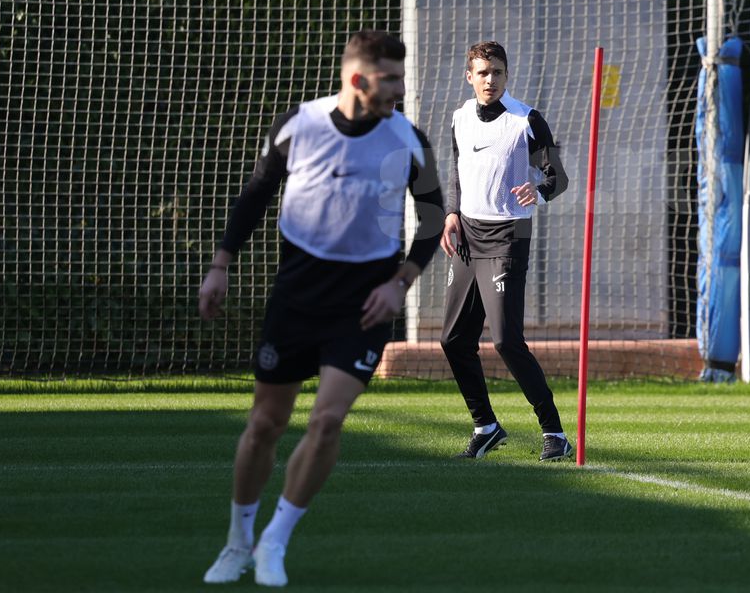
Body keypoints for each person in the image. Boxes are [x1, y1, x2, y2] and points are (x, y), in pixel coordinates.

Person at [199, 30, 443, 587]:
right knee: (265, 424)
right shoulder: (299, 126)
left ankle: (274, 543)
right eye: (390, 79)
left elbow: (432, 218)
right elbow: (255, 196)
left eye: (402, 78)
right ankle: (237, 541)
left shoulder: (409, 139)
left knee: (327, 421)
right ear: (357, 79)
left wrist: (401, 283)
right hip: (297, 296)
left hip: (365, 303)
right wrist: (220, 265)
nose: (400, 89)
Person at [439, 40, 572, 462]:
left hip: (507, 235)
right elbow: (458, 170)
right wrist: (452, 213)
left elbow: (558, 176)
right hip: (467, 236)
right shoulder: (460, 117)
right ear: (470, 76)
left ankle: (554, 432)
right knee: (454, 340)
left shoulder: (526, 121)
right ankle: (486, 427)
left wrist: (539, 191)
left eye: (496, 72)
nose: (490, 80)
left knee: (506, 341)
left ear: (506, 74)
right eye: (482, 72)